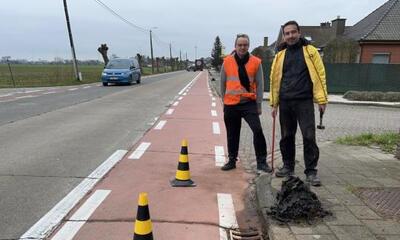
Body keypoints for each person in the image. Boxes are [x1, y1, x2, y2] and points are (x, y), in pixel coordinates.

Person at [269, 21, 328, 186]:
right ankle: (288, 166)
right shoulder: (280, 55)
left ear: (299, 32)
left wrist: (322, 99)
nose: (290, 36)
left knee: (309, 136)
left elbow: (320, 74)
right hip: (286, 102)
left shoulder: (310, 52)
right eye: (287, 33)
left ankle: (311, 171)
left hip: (304, 101)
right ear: (284, 36)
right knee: (287, 136)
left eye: (293, 32)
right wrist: (274, 103)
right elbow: (274, 80)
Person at [220, 33, 272, 173]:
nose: (242, 47)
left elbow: (260, 84)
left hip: (248, 103)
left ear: (248, 46)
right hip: (231, 104)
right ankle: (232, 160)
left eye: (245, 45)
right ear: (235, 46)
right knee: (232, 133)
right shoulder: (227, 61)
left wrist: (259, 104)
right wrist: (223, 102)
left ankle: (261, 162)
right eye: (240, 45)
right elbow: (222, 83)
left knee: (258, 130)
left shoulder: (256, 62)